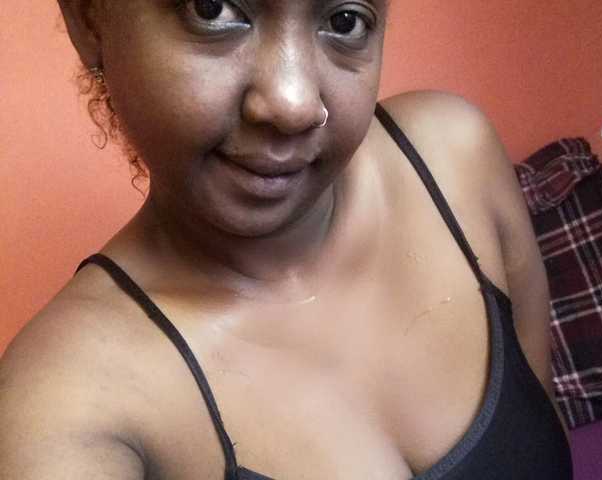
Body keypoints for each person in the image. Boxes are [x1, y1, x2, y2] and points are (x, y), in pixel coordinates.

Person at [0, 1, 573, 479]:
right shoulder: (63, 409)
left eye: (345, 20)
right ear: (89, 20)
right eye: (212, 9)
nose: (295, 104)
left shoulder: (453, 161)